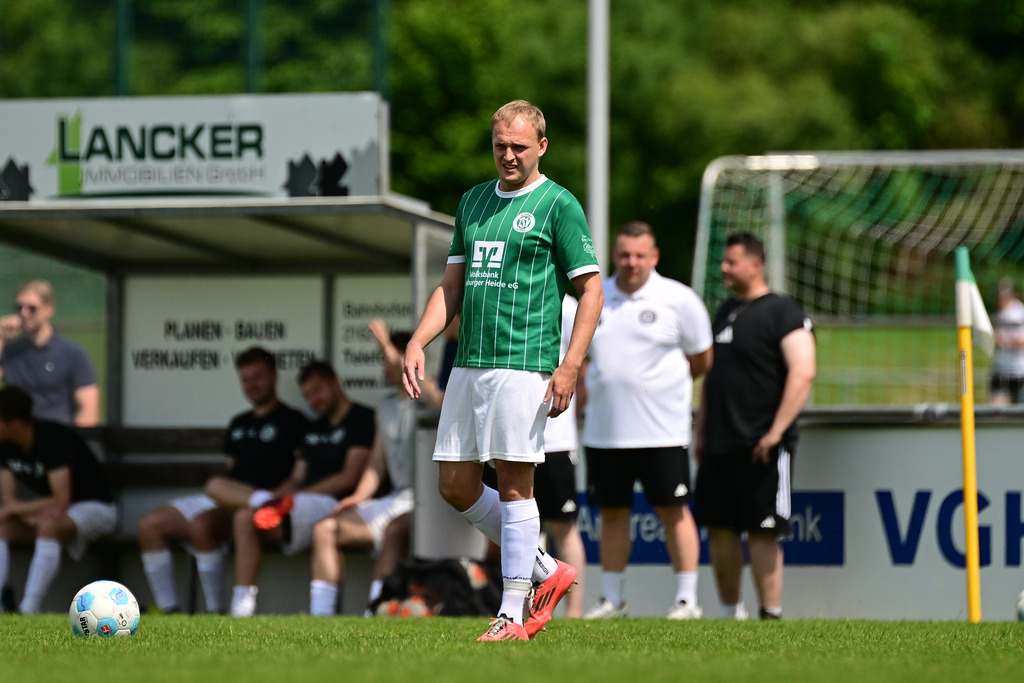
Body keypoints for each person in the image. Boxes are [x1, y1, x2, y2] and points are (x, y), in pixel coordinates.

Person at [403, 100, 603, 641]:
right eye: (500, 146)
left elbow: (591, 290)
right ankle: (546, 570)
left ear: (541, 146)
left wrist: (570, 365)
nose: (508, 155)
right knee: (455, 484)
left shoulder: (558, 204)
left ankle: (511, 613)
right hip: (470, 364)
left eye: (519, 146)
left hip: (525, 365)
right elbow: (452, 287)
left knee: (516, 487)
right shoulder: (472, 202)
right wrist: (419, 340)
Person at [581, 220, 712, 620]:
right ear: (614, 255)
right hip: (604, 434)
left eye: (640, 255)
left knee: (674, 513)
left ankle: (687, 600)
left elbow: (702, 359)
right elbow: (580, 360)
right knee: (612, 514)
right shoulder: (594, 298)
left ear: (654, 257)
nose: (631, 262)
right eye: (624, 254)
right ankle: (611, 599)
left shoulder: (679, 299)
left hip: (662, 433)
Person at [694, 232, 816, 620]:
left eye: (731, 262)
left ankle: (771, 613)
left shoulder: (784, 312)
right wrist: (701, 429)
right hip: (719, 442)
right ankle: (732, 614)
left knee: (764, 530)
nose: (724, 269)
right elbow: (712, 377)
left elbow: (803, 372)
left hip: (763, 442)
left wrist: (775, 432)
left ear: (755, 264)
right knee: (720, 528)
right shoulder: (724, 310)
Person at [137, 346, 307, 614]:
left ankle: (215, 611)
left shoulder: (293, 420)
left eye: (257, 377)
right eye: (245, 379)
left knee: (203, 523)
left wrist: (275, 499)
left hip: (259, 504)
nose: (251, 385)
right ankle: (169, 609)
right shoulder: (239, 422)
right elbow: (230, 470)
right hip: (228, 496)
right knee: (150, 525)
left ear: (273, 376)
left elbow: (298, 476)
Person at [310, 322, 443, 616]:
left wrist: (387, 345)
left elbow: (429, 393)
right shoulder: (384, 406)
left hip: (427, 504)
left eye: (387, 360)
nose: (384, 367)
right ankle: (320, 618)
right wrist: (358, 496)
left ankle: (373, 613)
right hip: (394, 499)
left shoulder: (428, 395)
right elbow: (376, 463)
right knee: (325, 529)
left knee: (395, 531)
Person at [227, 359, 374, 617]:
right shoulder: (313, 427)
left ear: (335, 384)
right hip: (300, 504)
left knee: (252, 517)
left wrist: (298, 495)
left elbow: (349, 477)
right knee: (243, 516)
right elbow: (298, 476)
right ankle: (241, 608)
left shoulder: (362, 418)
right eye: (307, 395)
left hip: (335, 503)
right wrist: (279, 496)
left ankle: (322, 616)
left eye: (318, 390)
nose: (313, 399)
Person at [482, 294, 590, 619]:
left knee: (562, 527)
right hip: (510, 435)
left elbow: (581, 367)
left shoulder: (570, 306)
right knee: (512, 521)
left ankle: (573, 611)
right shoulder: (506, 291)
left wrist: (567, 413)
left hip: (555, 439)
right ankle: (520, 609)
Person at [0, 385, 116, 613]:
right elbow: (10, 502)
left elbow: (62, 499)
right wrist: (21, 513)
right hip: (54, 511)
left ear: (13, 423)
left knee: (48, 525)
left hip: (95, 507)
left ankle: (28, 610)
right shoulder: (5, 447)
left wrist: (18, 511)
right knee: (3, 528)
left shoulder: (52, 439)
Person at [0, 280, 99, 426]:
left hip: (55, 434)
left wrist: (70, 441)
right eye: (19, 307)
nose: (24, 313)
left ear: (49, 309)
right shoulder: (10, 351)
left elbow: (89, 409)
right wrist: (1, 337)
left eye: (31, 308)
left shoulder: (72, 354)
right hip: (17, 437)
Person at [990, 278, 1024, 405]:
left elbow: (1021, 342)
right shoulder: (1002, 312)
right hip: (1001, 369)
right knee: (995, 411)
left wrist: (1005, 341)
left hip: (1019, 371)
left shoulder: (1020, 312)